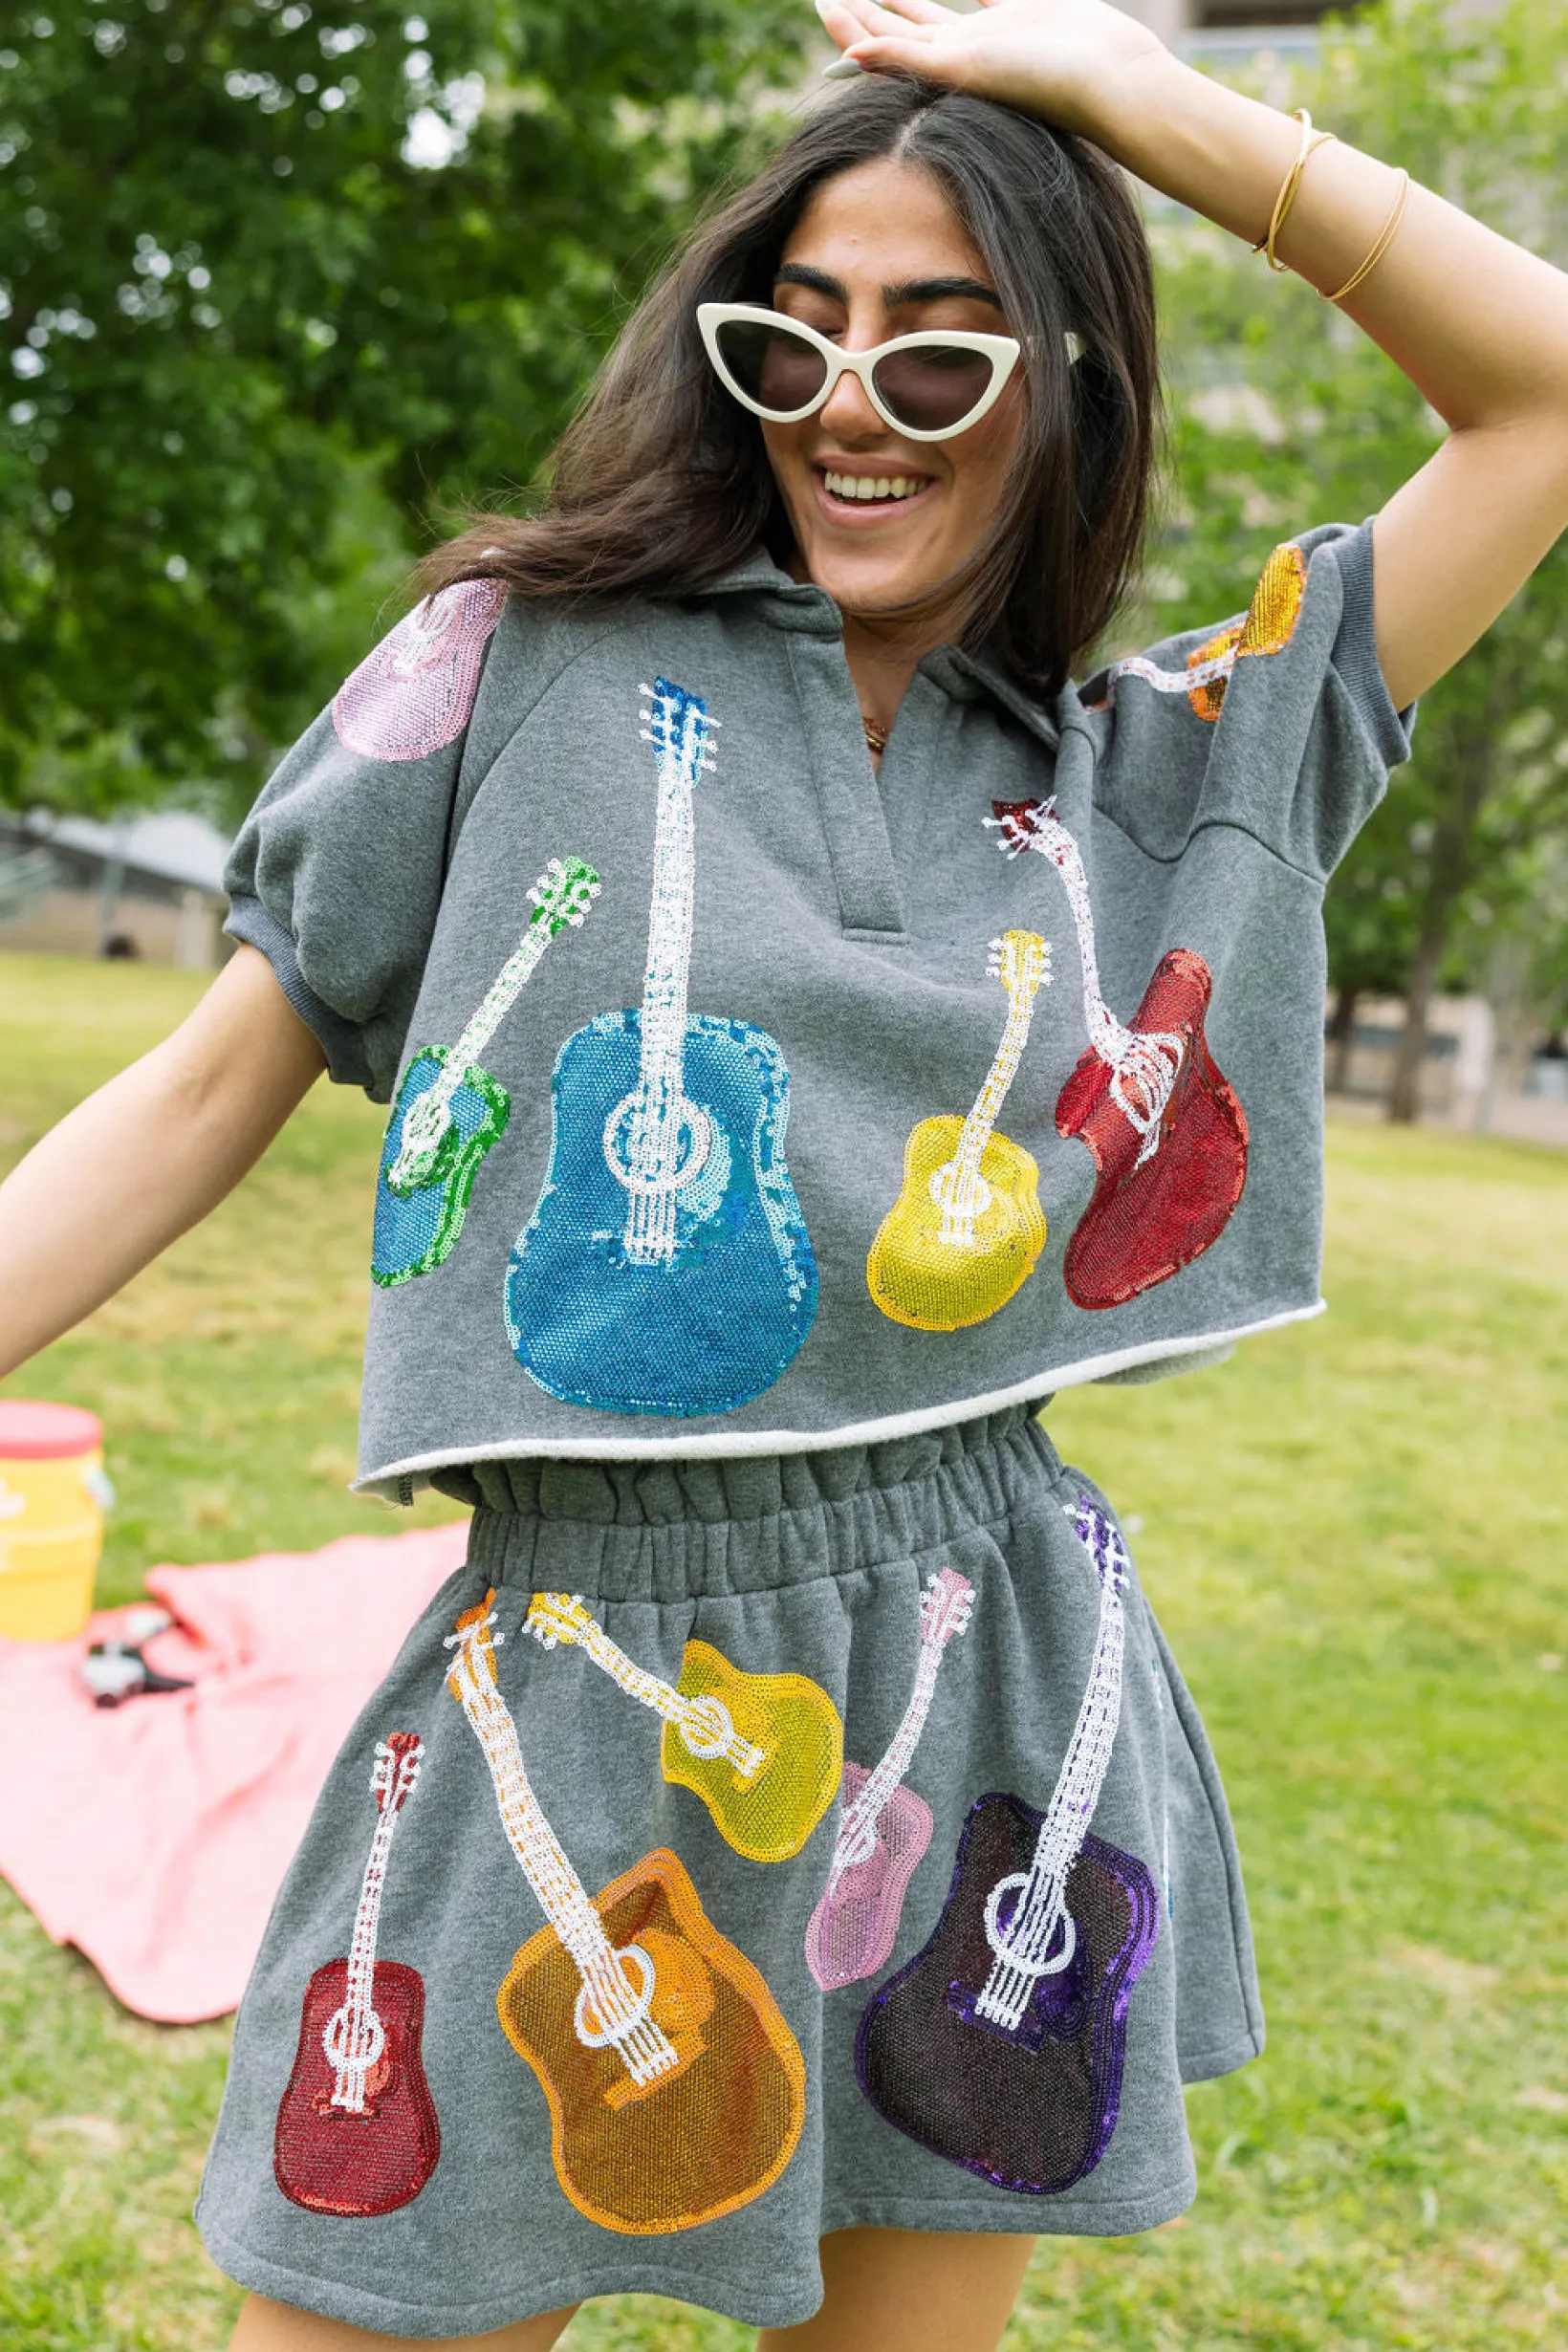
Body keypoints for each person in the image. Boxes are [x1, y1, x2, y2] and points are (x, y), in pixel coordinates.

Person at [5, 2, 1568, 2345]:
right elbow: (206, 1088)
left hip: (990, 1672)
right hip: (562, 1668)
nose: (850, 402)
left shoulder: (1162, 770)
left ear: (1066, 386)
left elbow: (1540, 393)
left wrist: (1130, 97)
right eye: (793, 337)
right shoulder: (511, 656)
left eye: (937, 349)